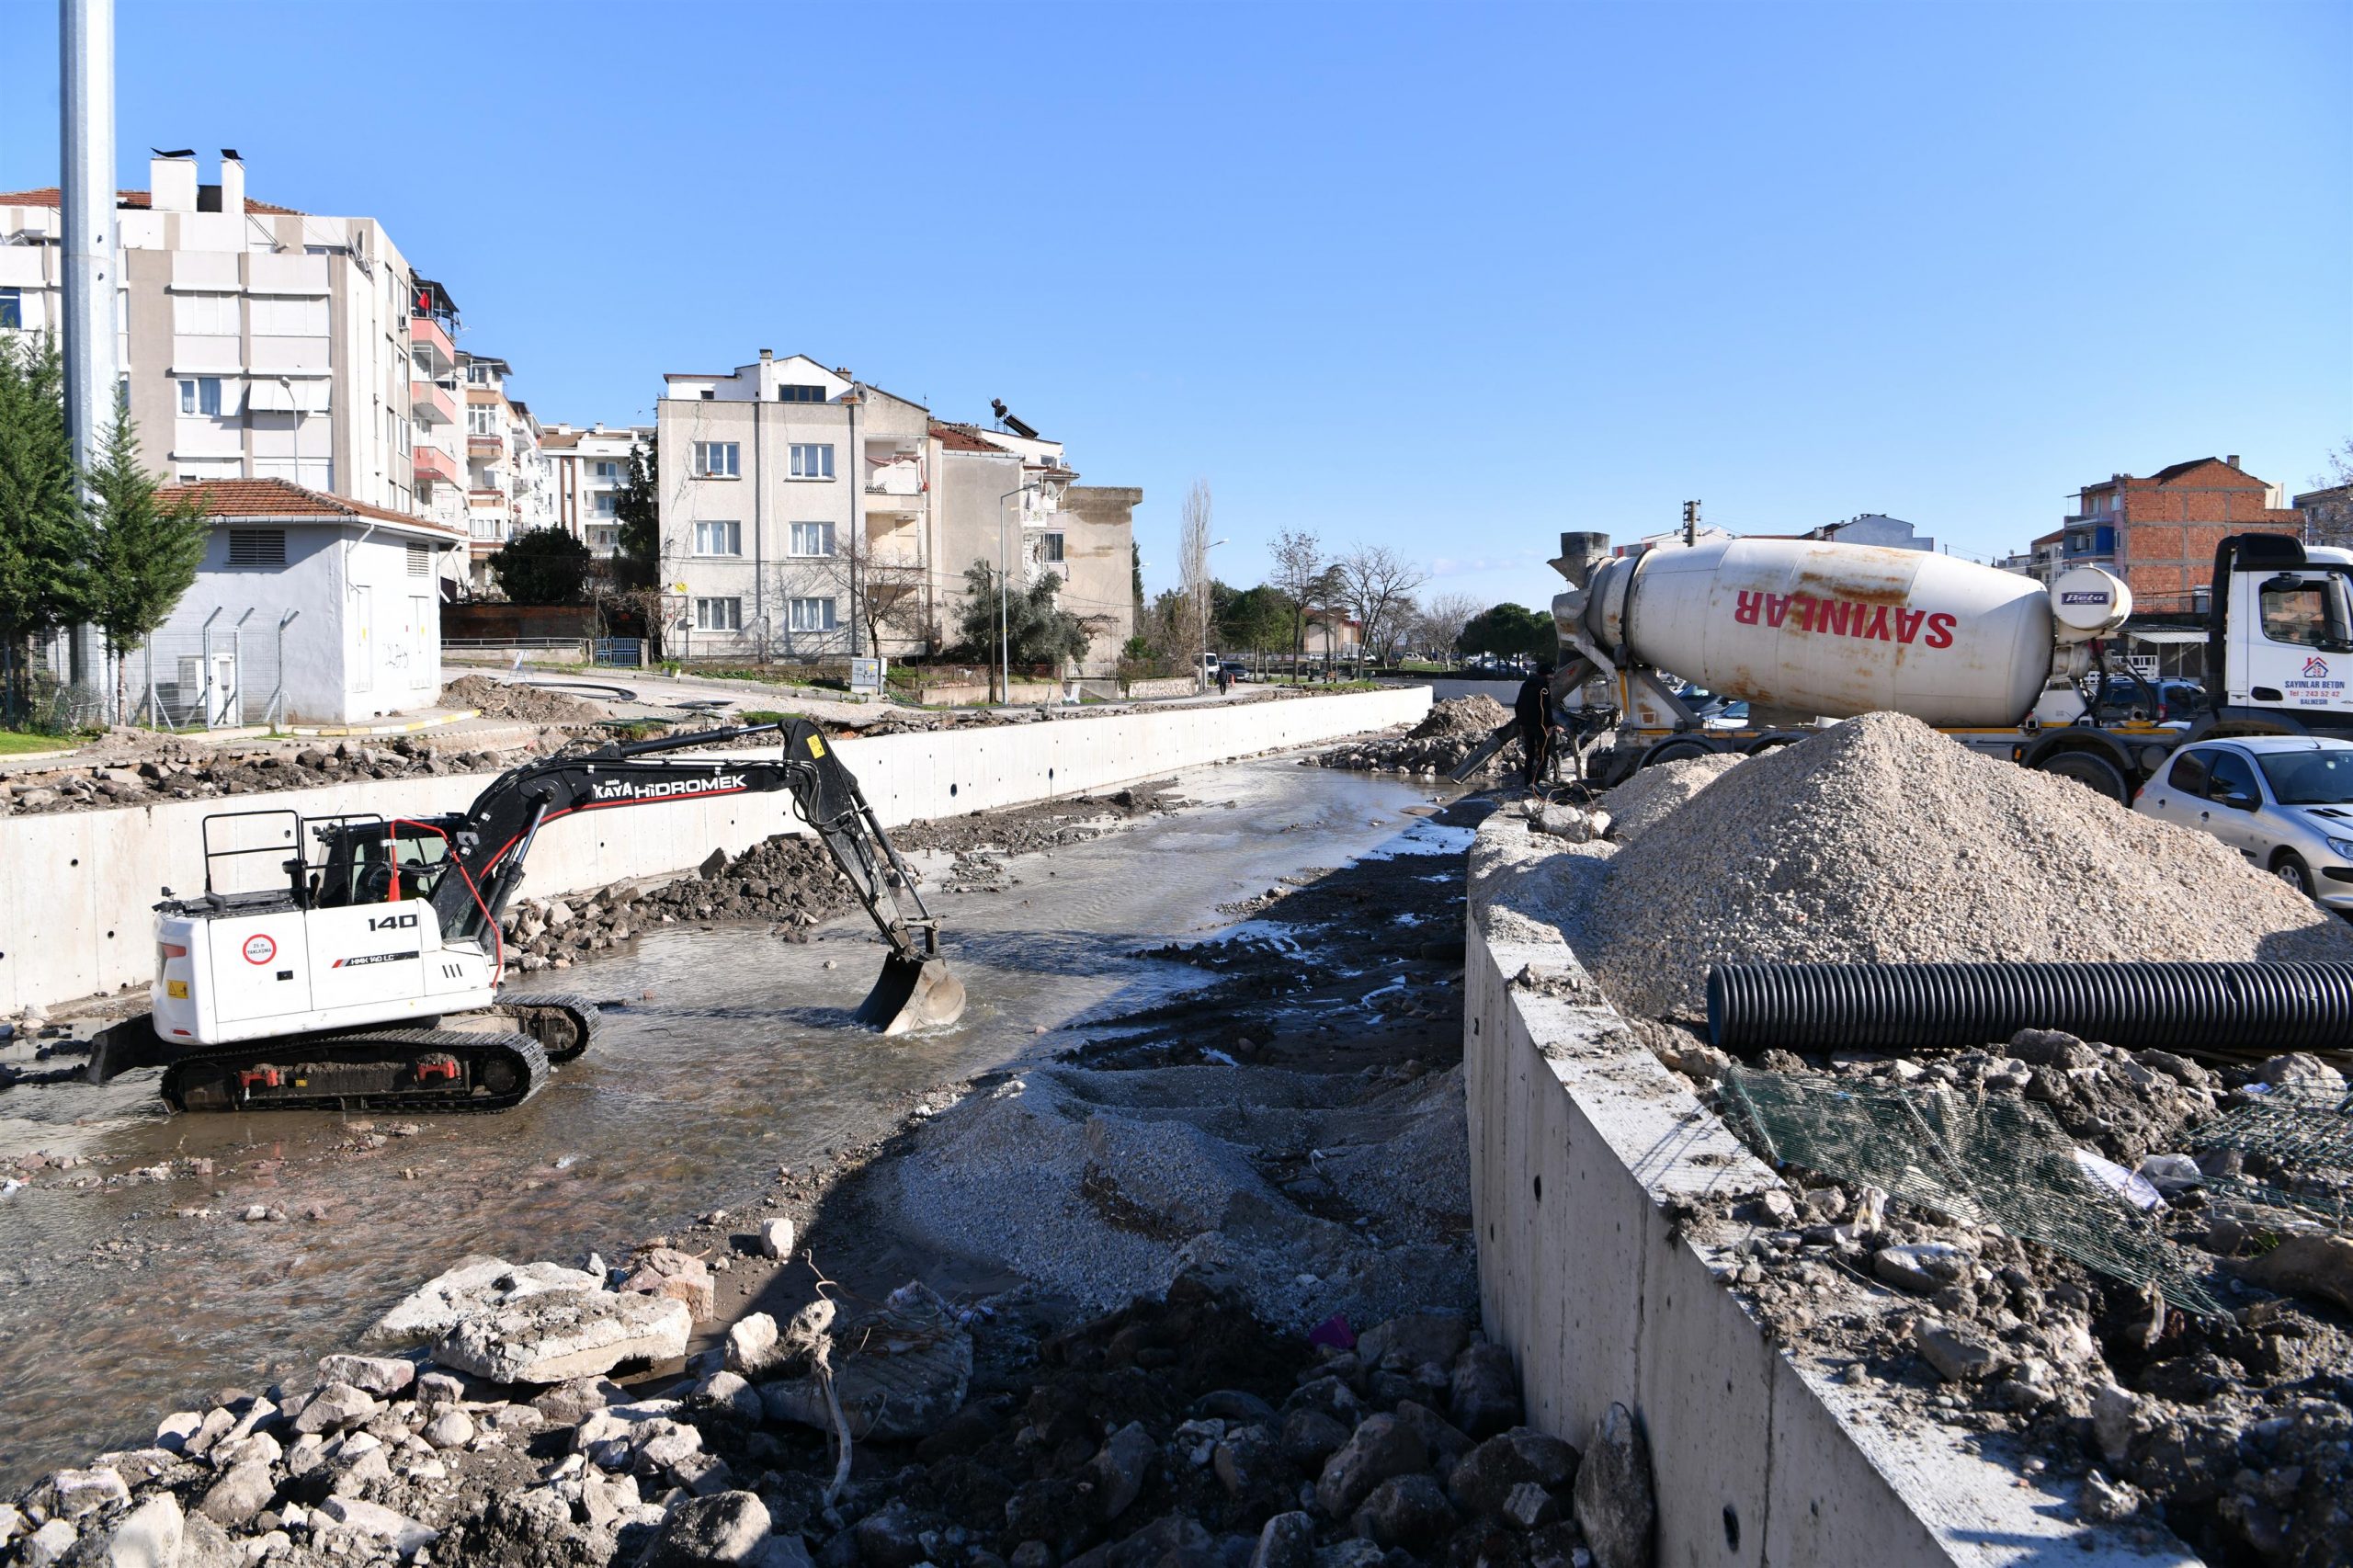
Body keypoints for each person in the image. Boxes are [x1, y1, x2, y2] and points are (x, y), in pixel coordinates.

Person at [1514, 665, 1554, 788]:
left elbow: (1517, 705)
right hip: (1540, 725)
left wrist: (1520, 723)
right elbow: (1546, 708)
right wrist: (1550, 725)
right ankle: (1534, 782)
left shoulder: (1525, 684)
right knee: (1544, 754)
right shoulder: (1543, 686)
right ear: (1546, 675)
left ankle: (1527, 782)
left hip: (1526, 725)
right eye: (1551, 675)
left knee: (1529, 755)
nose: (1552, 678)